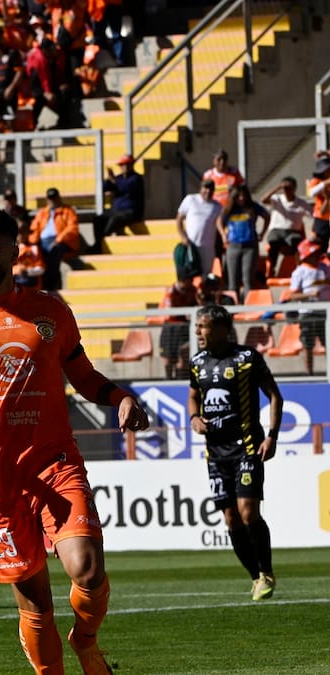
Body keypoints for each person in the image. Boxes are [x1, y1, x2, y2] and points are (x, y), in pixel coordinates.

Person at [0, 205, 149, 675]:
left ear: (13, 250)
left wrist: (120, 397)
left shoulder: (50, 310)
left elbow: (83, 373)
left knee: (88, 570)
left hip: (55, 462)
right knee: (36, 608)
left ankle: (86, 641)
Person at [188, 304, 282, 601]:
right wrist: (194, 418)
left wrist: (272, 436)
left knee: (248, 511)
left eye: (202, 326)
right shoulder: (197, 362)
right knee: (230, 518)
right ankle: (256, 577)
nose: (197, 332)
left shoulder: (246, 359)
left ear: (220, 328)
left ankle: (266, 572)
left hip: (247, 447)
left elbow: (275, 396)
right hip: (215, 453)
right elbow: (192, 396)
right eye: (197, 327)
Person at [285, 239, 330, 375]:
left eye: (317, 253)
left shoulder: (325, 268)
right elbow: (292, 296)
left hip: (325, 313)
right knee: (308, 344)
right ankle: (309, 373)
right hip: (308, 313)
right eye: (313, 253)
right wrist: (309, 294)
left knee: (327, 343)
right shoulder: (299, 272)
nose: (317, 256)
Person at [29, 187, 81, 292]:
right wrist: (32, 243)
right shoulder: (42, 213)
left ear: (59, 198)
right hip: (43, 241)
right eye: (50, 198)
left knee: (54, 251)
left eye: (55, 198)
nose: (53, 201)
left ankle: (51, 284)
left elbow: (72, 228)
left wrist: (58, 240)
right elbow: (34, 228)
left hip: (61, 242)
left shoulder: (68, 211)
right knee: (34, 253)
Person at [177, 180, 223, 279]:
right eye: (205, 188)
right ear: (200, 189)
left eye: (210, 189)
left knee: (205, 276)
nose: (208, 191)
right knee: (190, 274)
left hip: (208, 248)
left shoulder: (217, 206)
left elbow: (220, 224)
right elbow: (179, 219)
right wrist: (183, 236)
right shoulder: (190, 200)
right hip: (192, 246)